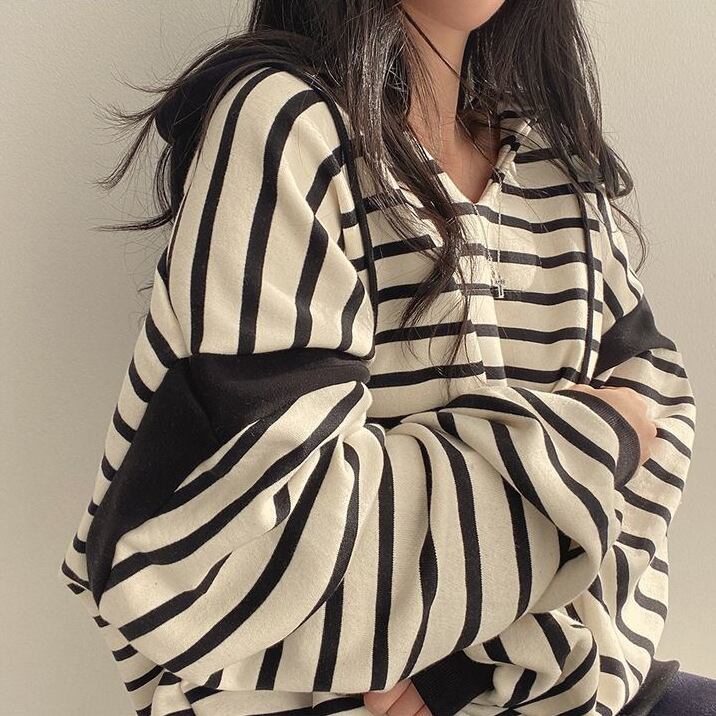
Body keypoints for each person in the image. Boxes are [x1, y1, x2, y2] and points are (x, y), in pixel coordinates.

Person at [57, 1, 706, 715]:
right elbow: (236, 551)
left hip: (577, 693)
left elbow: (659, 430)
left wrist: (482, 669)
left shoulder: (557, 162)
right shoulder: (284, 125)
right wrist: (590, 443)